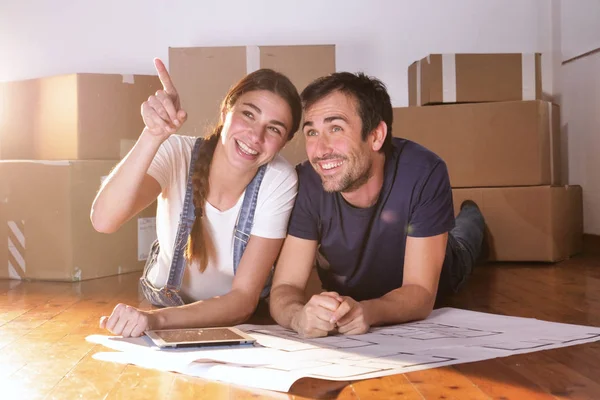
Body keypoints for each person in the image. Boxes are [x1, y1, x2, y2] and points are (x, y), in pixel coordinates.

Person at [91, 59, 302, 338]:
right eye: (248, 114)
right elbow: (104, 220)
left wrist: (155, 322)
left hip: (229, 317)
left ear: (284, 142)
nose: (255, 135)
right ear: (226, 110)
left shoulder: (279, 180)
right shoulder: (176, 152)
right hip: (159, 302)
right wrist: (152, 136)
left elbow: (243, 299)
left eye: (274, 128)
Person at [269, 72, 485, 338]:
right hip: (355, 295)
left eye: (336, 128)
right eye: (312, 132)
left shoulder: (424, 171)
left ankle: (473, 212)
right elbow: (285, 286)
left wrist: (369, 312)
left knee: (466, 234)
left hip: (445, 269)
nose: (320, 149)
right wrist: (297, 316)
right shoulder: (306, 182)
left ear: (375, 136)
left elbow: (421, 291)